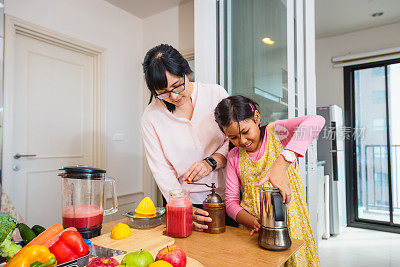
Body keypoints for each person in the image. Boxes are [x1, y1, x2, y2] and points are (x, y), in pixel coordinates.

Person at [214, 95, 324, 266]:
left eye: (245, 131)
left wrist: (281, 163)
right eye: (233, 137)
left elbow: (316, 120)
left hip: (291, 227)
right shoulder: (234, 156)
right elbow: (230, 203)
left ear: (256, 118)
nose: (242, 141)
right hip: (255, 232)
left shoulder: (277, 133)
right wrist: (254, 222)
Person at [141, 44, 230, 231]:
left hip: (230, 197)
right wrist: (182, 206)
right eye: (163, 92)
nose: (173, 96)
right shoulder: (151, 117)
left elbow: (233, 140)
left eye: (177, 85)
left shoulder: (215, 94)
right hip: (187, 202)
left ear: (186, 72)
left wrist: (212, 162)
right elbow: (161, 170)